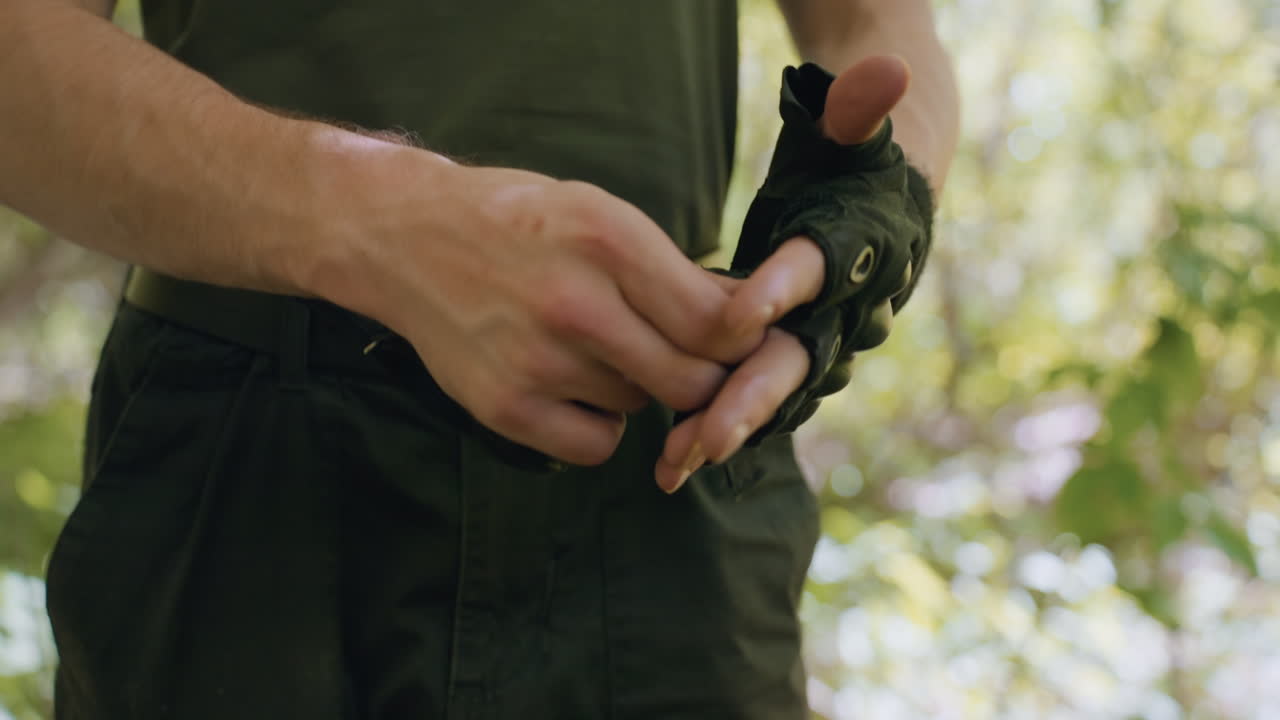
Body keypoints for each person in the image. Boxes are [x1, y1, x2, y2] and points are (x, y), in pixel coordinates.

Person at [0, 0, 958, 717]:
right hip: (252, 483)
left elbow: (877, 30)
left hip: (677, 480)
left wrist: (868, 216)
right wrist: (375, 218)